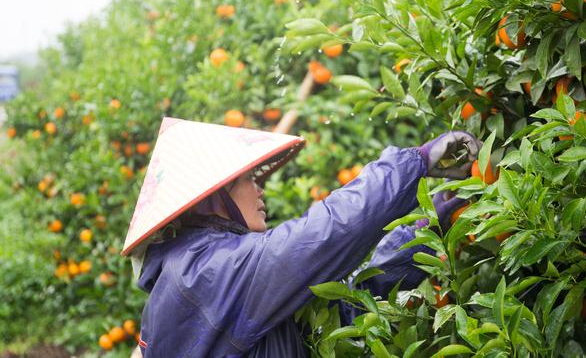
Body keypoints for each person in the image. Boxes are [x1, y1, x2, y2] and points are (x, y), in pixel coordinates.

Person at [122, 117, 480, 357]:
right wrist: (413, 162)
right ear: (214, 195)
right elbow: (326, 234)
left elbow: (345, 305)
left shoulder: (204, 273)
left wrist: (421, 231)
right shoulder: (205, 273)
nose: (260, 190)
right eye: (250, 179)